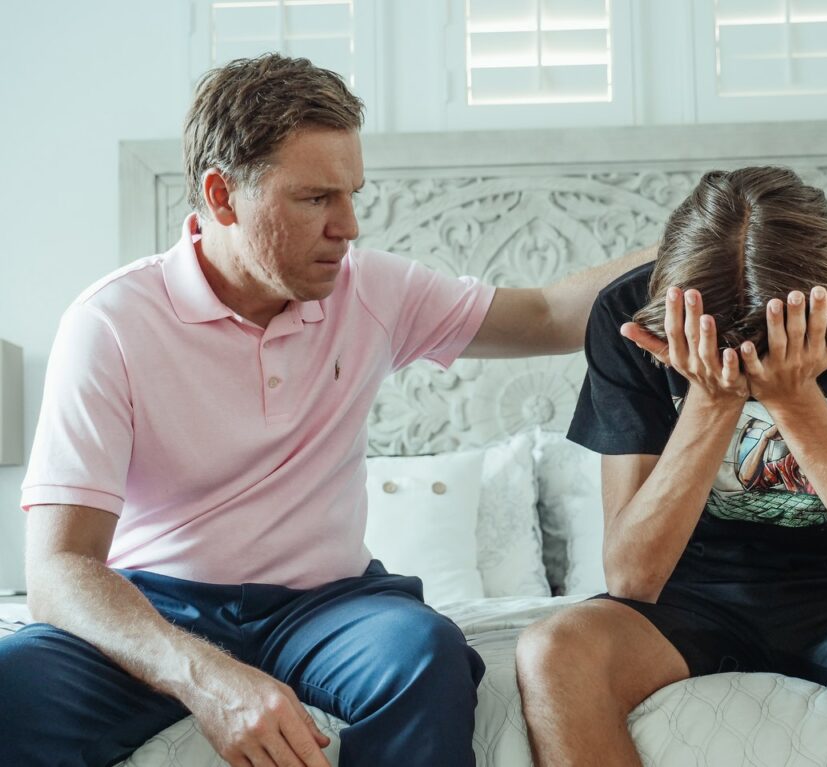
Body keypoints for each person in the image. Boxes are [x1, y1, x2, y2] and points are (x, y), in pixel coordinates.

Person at [0, 53, 657, 767]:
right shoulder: (110, 323)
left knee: (425, 655)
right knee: (14, 683)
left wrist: (699, 244)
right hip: (162, 603)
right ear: (223, 196)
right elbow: (60, 568)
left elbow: (546, 314)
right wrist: (208, 678)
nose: (348, 227)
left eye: (353, 195)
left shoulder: (371, 291)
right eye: (315, 199)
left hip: (329, 607)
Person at [515, 166, 827, 767]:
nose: (745, 373)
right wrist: (711, 401)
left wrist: (796, 403)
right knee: (552, 653)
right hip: (684, 595)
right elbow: (632, 578)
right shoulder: (629, 314)